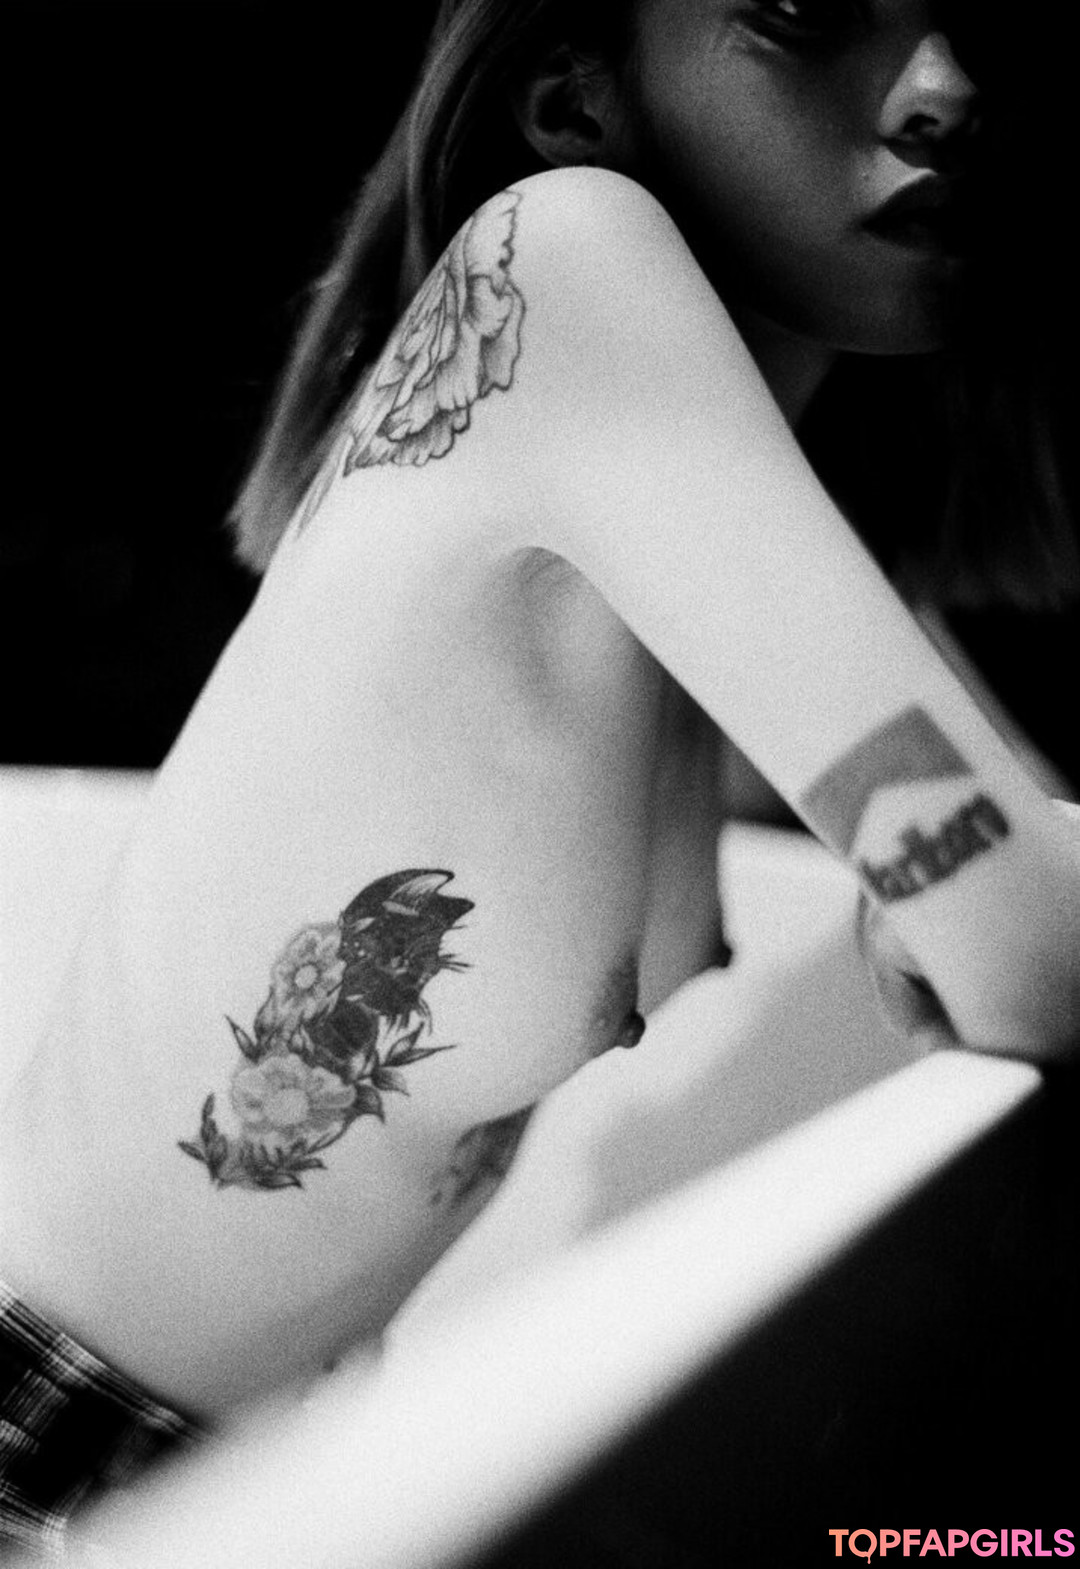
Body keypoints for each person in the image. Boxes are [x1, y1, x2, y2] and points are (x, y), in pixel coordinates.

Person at [3, 0, 1079, 1552]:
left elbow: (1020, 887)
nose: (944, 88)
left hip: (247, 1474)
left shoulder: (741, 525)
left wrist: (971, 880)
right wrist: (967, 887)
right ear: (575, 99)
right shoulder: (564, 266)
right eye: (803, 12)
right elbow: (1039, 948)